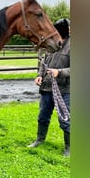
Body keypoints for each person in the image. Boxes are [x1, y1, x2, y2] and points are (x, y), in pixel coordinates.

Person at [27, 18, 70, 157]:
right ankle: (40, 139)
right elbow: (43, 62)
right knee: (43, 116)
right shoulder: (51, 44)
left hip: (64, 90)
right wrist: (39, 75)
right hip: (46, 88)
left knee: (65, 119)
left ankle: (69, 147)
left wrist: (60, 72)